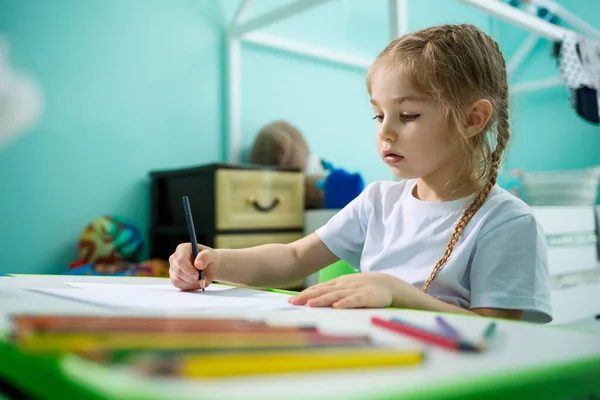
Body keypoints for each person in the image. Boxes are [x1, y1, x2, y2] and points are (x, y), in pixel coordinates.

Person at [168, 24, 552, 322]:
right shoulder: (378, 201)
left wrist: (395, 291)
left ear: (473, 119)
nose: (385, 131)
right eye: (379, 114)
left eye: (408, 115)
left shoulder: (507, 222)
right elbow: (293, 257)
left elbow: (499, 331)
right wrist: (216, 261)